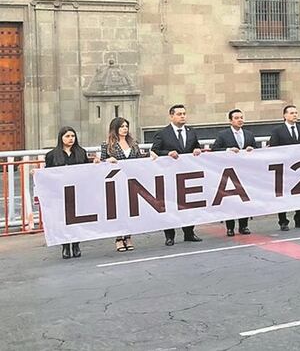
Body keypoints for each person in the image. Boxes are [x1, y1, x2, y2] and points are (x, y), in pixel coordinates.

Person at [150, 104, 205, 245]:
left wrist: (197, 149)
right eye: (179, 114)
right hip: (169, 175)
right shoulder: (162, 133)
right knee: (169, 205)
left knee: (188, 204)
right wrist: (167, 153)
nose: (182, 116)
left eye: (184, 114)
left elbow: (196, 145)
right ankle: (170, 236)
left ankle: (189, 232)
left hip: (187, 174)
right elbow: (155, 150)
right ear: (171, 116)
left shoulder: (191, 132)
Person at [45, 127, 97, 259]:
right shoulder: (52, 155)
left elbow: (86, 169)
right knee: (62, 219)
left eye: (72, 136)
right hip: (60, 192)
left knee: (76, 219)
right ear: (61, 137)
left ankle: (76, 244)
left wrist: (94, 163)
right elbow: (47, 173)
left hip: (77, 191)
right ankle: (65, 245)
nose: (70, 139)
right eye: (67, 136)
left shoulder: (80, 152)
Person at [99, 117, 143, 252]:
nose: (125, 129)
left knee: (130, 209)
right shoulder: (107, 144)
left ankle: (128, 236)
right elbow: (101, 162)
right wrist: (108, 161)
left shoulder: (133, 143)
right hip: (116, 181)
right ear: (115, 128)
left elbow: (139, 159)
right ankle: (119, 238)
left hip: (131, 180)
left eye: (126, 126)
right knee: (118, 210)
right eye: (122, 126)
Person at [212, 109, 257, 236]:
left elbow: (257, 150)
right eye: (237, 118)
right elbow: (215, 149)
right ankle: (230, 227)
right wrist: (228, 150)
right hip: (229, 173)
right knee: (230, 201)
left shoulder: (249, 134)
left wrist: (251, 149)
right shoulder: (223, 134)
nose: (240, 120)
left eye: (241, 117)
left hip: (245, 172)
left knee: (244, 199)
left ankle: (244, 226)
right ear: (231, 121)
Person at [268, 105, 300, 231]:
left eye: (296, 113)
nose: (295, 115)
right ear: (285, 116)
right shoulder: (277, 131)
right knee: (283, 195)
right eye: (292, 113)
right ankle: (283, 221)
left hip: (299, 168)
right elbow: (274, 148)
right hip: (283, 169)